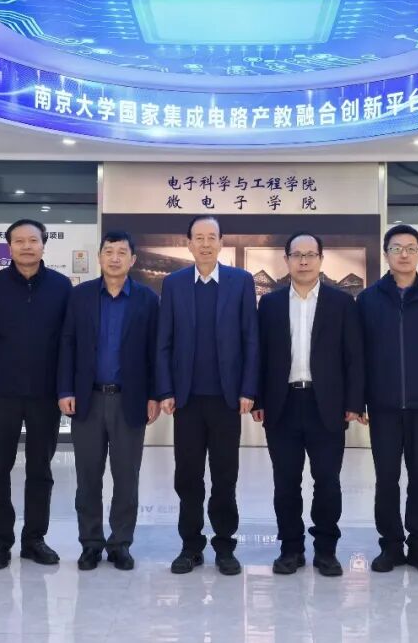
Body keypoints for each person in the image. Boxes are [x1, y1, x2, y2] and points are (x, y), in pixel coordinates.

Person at [253, 233, 365, 577]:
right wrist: (259, 399)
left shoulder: (341, 302)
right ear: (286, 259)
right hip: (282, 404)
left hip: (326, 405)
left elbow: (354, 357)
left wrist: (354, 402)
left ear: (320, 259)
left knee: (327, 482)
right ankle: (291, 549)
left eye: (310, 254)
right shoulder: (270, 304)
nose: (303, 261)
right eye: (297, 255)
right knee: (285, 482)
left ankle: (326, 550)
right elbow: (260, 356)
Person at [155, 215, 260, 576]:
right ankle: (190, 546)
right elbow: (164, 341)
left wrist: (248, 388)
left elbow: (251, 339)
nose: (204, 243)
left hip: (227, 399)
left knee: (225, 476)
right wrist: (165, 389)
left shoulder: (240, 281)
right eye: (198, 237)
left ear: (220, 242)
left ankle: (225, 546)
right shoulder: (174, 284)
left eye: (211, 237)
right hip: (186, 400)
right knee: (187, 476)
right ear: (188, 243)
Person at [0, 219, 73, 570]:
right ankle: (0, 543)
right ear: (9, 247)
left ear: (44, 245)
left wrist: (66, 388)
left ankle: (34, 540)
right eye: (19, 241)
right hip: (2, 394)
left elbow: (69, 343)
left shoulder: (61, 287)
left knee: (40, 469)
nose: (27, 247)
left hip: (45, 395)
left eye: (33, 240)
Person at [356, 223, 418, 575]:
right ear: (386, 254)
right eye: (396, 248)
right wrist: (358, 400)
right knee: (386, 478)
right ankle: (390, 544)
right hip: (382, 405)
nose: (404, 254)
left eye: (411, 248)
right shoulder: (368, 300)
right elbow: (358, 355)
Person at [58, 230, 160, 572]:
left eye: (122, 252)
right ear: (100, 257)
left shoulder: (147, 299)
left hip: (130, 400)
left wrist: (154, 395)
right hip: (87, 400)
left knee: (126, 477)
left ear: (133, 259)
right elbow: (67, 344)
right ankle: (90, 543)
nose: (115, 258)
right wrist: (65, 390)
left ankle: (120, 544)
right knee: (88, 476)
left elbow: (155, 351)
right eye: (109, 251)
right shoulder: (80, 296)